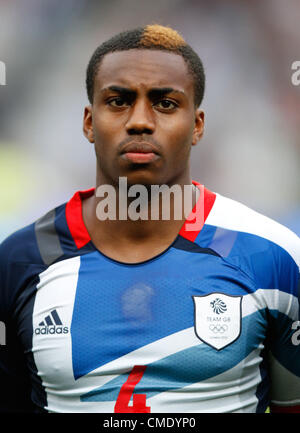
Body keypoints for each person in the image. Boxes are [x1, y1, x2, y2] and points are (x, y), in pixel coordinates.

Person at [0, 24, 299, 414]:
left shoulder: (272, 257)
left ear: (198, 125)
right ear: (89, 122)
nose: (140, 120)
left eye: (165, 103)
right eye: (119, 101)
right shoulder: (19, 261)